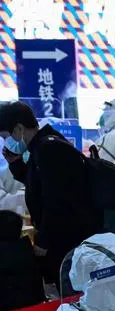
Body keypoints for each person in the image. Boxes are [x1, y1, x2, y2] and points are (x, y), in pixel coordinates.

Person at [0, 101, 97, 285]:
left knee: (72, 293)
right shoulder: (44, 145)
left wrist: (43, 241)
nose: (6, 142)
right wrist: (15, 163)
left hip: (68, 240)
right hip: (65, 237)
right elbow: (38, 184)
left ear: (19, 128)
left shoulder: (48, 149)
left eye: (6, 137)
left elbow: (55, 199)